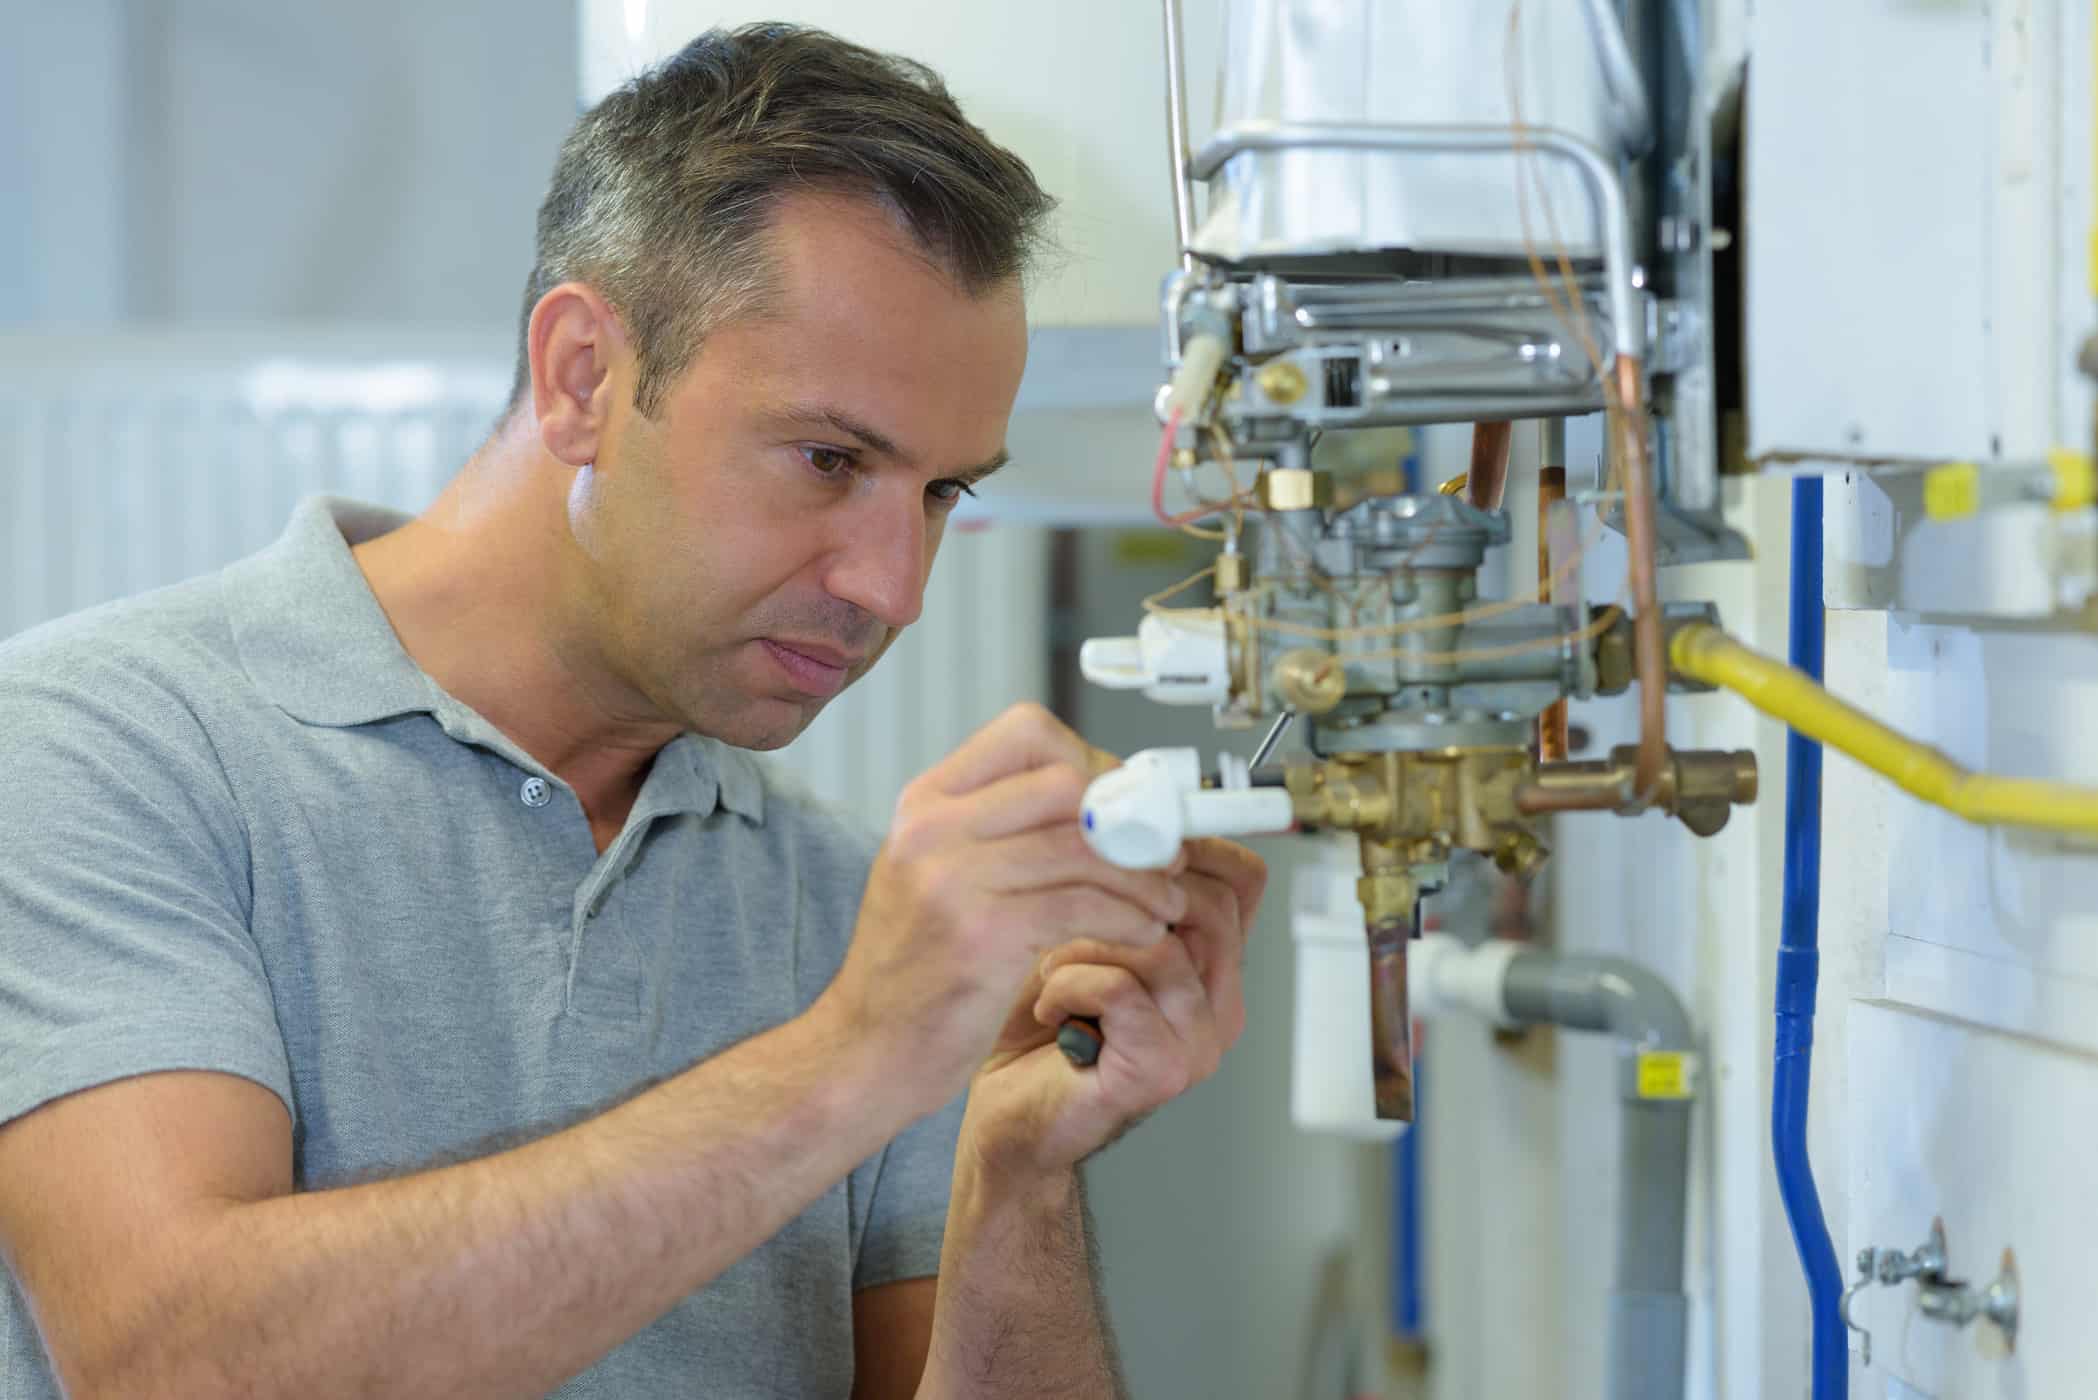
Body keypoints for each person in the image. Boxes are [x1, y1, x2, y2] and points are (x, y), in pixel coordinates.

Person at [0, 23, 1266, 1400]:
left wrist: (1015, 1171)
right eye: (829, 458)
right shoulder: (98, 748)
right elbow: (168, 1362)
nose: (894, 586)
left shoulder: (842, 904)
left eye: (942, 493)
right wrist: (856, 1055)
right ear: (584, 376)